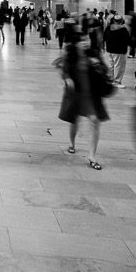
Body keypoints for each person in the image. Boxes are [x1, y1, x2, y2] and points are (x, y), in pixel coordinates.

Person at [54, 34, 111, 170]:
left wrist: (97, 64)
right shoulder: (71, 54)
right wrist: (67, 79)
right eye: (82, 41)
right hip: (76, 94)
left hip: (91, 95)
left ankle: (92, 155)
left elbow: (105, 70)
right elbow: (58, 64)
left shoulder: (93, 54)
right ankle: (72, 143)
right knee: (74, 120)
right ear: (76, 43)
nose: (85, 43)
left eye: (87, 40)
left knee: (95, 120)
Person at [103, 14, 130, 88]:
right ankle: (117, 82)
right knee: (119, 66)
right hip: (119, 51)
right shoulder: (123, 29)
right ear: (121, 21)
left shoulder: (108, 27)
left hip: (109, 50)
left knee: (111, 66)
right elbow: (128, 40)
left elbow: (104, 38)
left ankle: (111, 80)